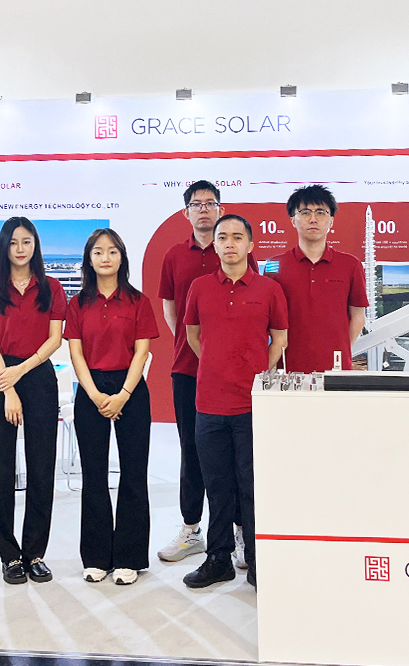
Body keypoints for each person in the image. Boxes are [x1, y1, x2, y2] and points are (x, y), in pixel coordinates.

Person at [182, 214, 287, 590]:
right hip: (209, 403)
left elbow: (279, 339)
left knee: (251, 486)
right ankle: (219, 559)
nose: (230, 243)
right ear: (215, 245)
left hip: (251, 404)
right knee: (217, 486)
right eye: (223, 237)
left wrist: (255, 372)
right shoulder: (199, 287)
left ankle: (257, 560)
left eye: (238, 237)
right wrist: (217, 366)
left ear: (250, 245)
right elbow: (193, 336)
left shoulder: (269, 289)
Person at [157, 180, 257, 571]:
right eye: (196, 204)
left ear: (220, 209)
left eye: (210, 203)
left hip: (237, 376)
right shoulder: (173, 256)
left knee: (238, 457)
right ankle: (191, 528)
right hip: (188, 369)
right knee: (192, 450)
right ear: (186, 212)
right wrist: (197, 348)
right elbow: (171, 310)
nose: (203, 209)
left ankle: (239, 530)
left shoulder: (236, 250)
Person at [0, 217, 67, 584]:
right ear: (4, 247)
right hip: (1, 376)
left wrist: (22, 371)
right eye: (13, 242)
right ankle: (9, 555)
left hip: (39, 374)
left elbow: (54, 339)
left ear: (35, 245)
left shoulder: (52, 287)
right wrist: (7, 388)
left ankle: (35, 553)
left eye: (27, 241)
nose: (20, 248)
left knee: (42, 466)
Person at [64, 228, 160, 586]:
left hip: (130, 389)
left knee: (133, 474)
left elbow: (142, 352)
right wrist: (93, 394)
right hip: (90, 390)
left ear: (122, 257)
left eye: (113, 251)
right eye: (98, 252)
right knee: (94, 475)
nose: (106, 258)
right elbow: (75, 353)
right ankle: (96, 557)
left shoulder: (138, 302)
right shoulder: (77, 304)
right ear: (89, 260)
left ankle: (129, 558)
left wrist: (122, 395)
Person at [270, 184, 369, 373]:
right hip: (289, 370)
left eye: (321, 213)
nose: (313, 219)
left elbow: (358, 316)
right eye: (305, 213)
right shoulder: (275, 265)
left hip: (337, 370)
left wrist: (340, 349)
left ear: (331, 221)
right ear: (293, 220)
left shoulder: (351, 265)